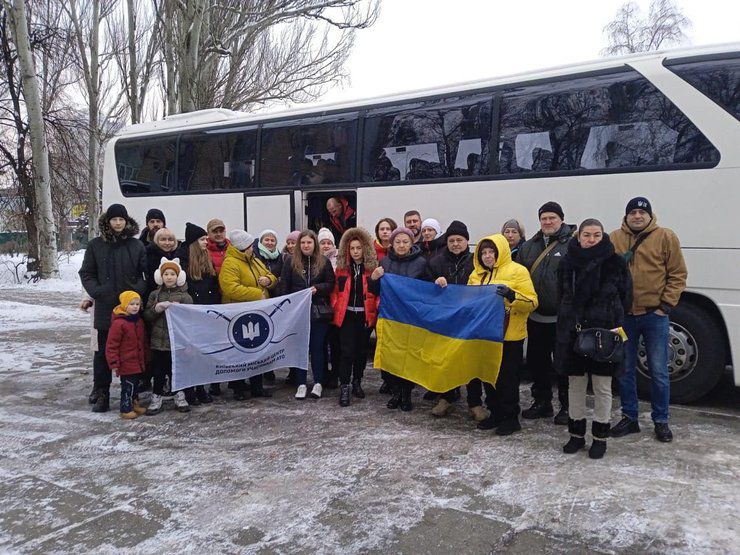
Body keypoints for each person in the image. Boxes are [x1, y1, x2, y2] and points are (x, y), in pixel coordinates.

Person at [609, 197, 687, 443]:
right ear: (626, 216)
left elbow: (677, 274)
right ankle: (630, 417)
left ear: (650, 216)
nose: (637, 216)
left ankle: (661, 420)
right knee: (625, 370)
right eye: (632, 212)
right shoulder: (614, 238)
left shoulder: (666, 237)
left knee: (659, 371)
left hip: (655, 316)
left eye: (642, 212)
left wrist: (666, 306)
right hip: (625, 318)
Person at [555, 219, 632, 459]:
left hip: (604, 333)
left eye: (596, 235)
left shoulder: (615, 263)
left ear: (603, 236)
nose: (591, 239)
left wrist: (611, 322)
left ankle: (600, 438)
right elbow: (562, 295)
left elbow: (626, 298)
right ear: (579, 237)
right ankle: (576, 435)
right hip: (573, 332)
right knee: (575, 386)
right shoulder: (567, 263)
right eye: (587, 235)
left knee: (602, 387)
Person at [79, 203, 147, 413]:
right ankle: (101, 392)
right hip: (105, 309)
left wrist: (137, 291)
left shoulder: (136, 246)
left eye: (121, 219)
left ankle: (132, 394)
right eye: (114, 219)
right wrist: (98, 291)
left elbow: (145, 273)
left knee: (132, 352)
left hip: (131, 311)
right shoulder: (96, 245)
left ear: (127, 222)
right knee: (102, 353)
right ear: (108, 222)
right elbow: (86, 273)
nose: (118, 223)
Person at [468, 234, 538, 436]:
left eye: (492, 252)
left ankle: (510, 417)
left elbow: (533, 302)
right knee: (489, 377)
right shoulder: (476, 275)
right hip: (485, 334)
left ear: (501, 253)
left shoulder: (518, 271)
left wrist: (512, 296)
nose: (488, 256)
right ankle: (495, 412)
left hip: (509, 336)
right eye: (484, 253)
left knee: (507, 378)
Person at [517, 201, 576, 425]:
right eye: (544, 218)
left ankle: (567, 406)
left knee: (563, 363)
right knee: (536, 362)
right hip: (535, 316)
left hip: (561, 317)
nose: (548, 222)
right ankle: (542, 401)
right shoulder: (529, 246)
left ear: (561, 219)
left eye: (552, 218)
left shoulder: (572, 244)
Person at [369, 226, 430, 411]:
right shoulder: (385, 262)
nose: (401, 245)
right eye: (398, 242)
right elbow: (374, 290)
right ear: (392, 244)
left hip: (411, 317)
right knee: (391, 356)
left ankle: (406, 393)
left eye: (405, 242)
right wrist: (374, 278)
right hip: (390, 317)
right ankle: (395, 391)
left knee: (408, 357)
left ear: (411, 243)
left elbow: (427, 290)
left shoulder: (421, 263)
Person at [219, 229, 278, 400]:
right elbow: (229, 288)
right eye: (251, 246)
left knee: (256, 350)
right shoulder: (230, 263)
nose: (254, 248)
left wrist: (269, 281)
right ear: (243, 248)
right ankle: (238, 388)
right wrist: (256, 293)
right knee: (240, 351)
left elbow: (270, 276)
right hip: (238, 314)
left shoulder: (254, 261)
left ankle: (256, 386)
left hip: (256, 313)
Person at [280, 230, 336, 399]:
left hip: (319, 313)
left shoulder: (324, 262)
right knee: (300, 349)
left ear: (314, 244)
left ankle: (318, 382)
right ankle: (301, 383)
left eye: (309, 242)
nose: (306, 245)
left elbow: (331, 284)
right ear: (299, 245)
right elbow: (284, 287)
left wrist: (318, 289)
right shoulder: (290, 262)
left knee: (317, 348)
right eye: (303, 242)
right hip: (298, 313)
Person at [429, 220, 476, 418]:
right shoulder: (436, 262)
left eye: (459, 240)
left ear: (467, 241)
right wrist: (434, 282)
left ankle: (475, 402)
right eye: (451, 240)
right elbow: (424, 288)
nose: (455, 244)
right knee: (445, 360)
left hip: (470, 320)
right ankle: (445, 398)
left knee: (471, 362)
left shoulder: (476, 261)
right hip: (446, 320)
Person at [330, 227, 379, 406]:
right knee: (347, 353)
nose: (356, 252)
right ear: (347, 250)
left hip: (365, 317)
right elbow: (335, 291)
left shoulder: (372, 269)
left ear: (365, 248)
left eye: (359, 248)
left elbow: (377, 293)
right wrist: (336, 306)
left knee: (361, 352)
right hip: (347, 316)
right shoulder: (342, 269)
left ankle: (357, 381)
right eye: (352, 248)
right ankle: (345, 387)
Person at [144, 258, 193, 415]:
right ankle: (157, 396)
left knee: (176, 370)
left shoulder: (185, 296)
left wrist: (182, 311)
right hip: (158, 342)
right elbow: (147, 316)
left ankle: (179, 394)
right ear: (161, 276)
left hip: (176, 342)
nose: (169, 277)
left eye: (173, 274)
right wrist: (156, 308)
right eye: (166, 274)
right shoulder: (155, 295)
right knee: (158, 371)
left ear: (178, 276)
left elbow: (192, 318)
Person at [184, 222, 219, 405]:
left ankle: (202, 387)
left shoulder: (208, 259)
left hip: (207, 312)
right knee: (192, 354)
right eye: (203, 239)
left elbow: (213, 285)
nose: (206, 242)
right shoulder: (185, 261)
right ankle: (190, 389)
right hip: (191, 314)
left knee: (204, 353)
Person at [105, 291, 149, 419]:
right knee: (128, 387)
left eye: (137, 304)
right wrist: (113, 361)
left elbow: (143, 341)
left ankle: (134, 403)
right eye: (131, 304)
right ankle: (125, 408)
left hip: (138, 361)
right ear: (124, 305)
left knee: (136, 386)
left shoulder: (139, 321)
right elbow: (112, 344)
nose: (135, 307)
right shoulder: (119, 323)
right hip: (126, 362)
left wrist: (146, 356)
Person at [318, 227, 340, 388]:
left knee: (336, 343)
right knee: (321, 344)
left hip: (337, 306)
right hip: (321, 307)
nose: (326, 246)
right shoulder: (314, 260)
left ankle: (335, 375)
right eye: (323, 243)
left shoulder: (340, 258)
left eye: (329, 242)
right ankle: (323, 374)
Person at [145, 227, 184, 296]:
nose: (167, 243)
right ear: (157, 240)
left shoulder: (180, 255)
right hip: (155, 295)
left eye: (170, 240)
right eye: (163, 240)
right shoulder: (149, 256)